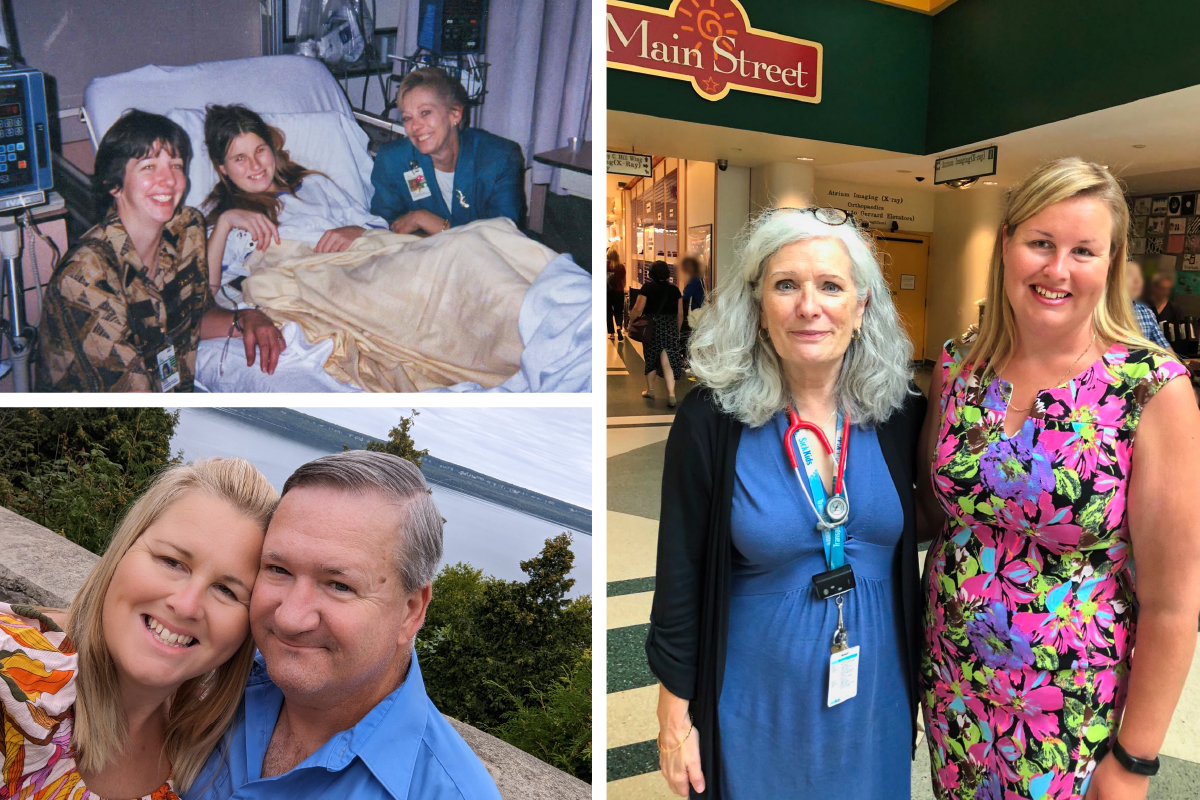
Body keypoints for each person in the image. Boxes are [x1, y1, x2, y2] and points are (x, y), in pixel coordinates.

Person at [916, 157, 1200, 800]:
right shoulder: (963, 364)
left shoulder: (1151, 389)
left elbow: (1177, 602)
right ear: (1007, 246)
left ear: (1111, 263)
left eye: (1083, 250)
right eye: (1040, 243)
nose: (1057, 269)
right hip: (954, 682)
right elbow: (933, 512)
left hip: (1069, 706)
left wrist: (1135, 761)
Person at [647, 207, 926, 800]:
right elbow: (679, 573)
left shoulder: (900, 413)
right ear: (756, 304)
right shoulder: (711, 420)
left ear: (863, 304)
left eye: (830, 285)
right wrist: (674, 717)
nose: (809, 306)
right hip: (754, 699)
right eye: (786, 285)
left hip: (875, 695)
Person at [187, 451, 500, 800]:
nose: (290, 617)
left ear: (411, 610)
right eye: (278, 569)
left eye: (339, 585)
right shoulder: (209, 685)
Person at [0, 458, 278, 799]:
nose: (187, 605)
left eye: (226, 590)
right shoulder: (11, 675)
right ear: (122, 551)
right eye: (172, 562)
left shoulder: (207, 752)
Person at [36, 110, 284, 391]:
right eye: (149, 167)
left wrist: (245, 318)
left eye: (176, 165)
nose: (168, 180)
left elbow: (196, 317)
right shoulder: (86, 276)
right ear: (114, 185)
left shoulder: (187, 228)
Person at [203, 103, 389, 290]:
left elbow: (381, 230)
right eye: (240, 158)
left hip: (364, 265)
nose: (255, 165)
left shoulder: (315, 183)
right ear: (222, 168)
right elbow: (208, 290)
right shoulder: (233, 224)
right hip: (318, 287)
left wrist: (357, 231)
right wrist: (225, 222)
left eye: (260, 150)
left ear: (271, 148)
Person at [370, 67, 525, 235]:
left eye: (425, 112)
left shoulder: (500, 158)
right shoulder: (393, 160)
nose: (415, 126)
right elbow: (383, 227)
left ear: (455, 114)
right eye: (408, 118)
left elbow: (504, 236)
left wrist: (423, 219)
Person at [630, 260, 684, 406]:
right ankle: (672, 394)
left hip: (653, 327)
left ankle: (650, 389)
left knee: (651, 358)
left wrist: (631, 322)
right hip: (670, 326)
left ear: (651, 273)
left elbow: (638, 308)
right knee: (668, 361)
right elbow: (680, 314)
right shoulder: (675, 290)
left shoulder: (647, 288)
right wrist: (677, 330)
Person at [1127, 261, 1172, 351]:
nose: (1137, 281)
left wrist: (1177, 364)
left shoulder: (1146, 312)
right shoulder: (1102, 312)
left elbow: (1164, 346)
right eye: (1130, 275)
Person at [678, 255, 706, 357]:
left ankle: (690, 359)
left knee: (691, 336)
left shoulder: (694, 280)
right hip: (700, 309)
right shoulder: (699, 278)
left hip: (695, 311)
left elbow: (686, 296)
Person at [1148, 272, 1184, 337]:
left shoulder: (1175, 309)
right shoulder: (1143, 307)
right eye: (1162, 289)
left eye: (1168, 289)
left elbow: (1180, 334)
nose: (1166, 292)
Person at [608, 248, 627, 341]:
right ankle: (619, 327)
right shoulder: (621, 267)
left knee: (608, 312)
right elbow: (623, 280)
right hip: (618, 291)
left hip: (606, 291)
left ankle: (611, 333)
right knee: (619, 311)